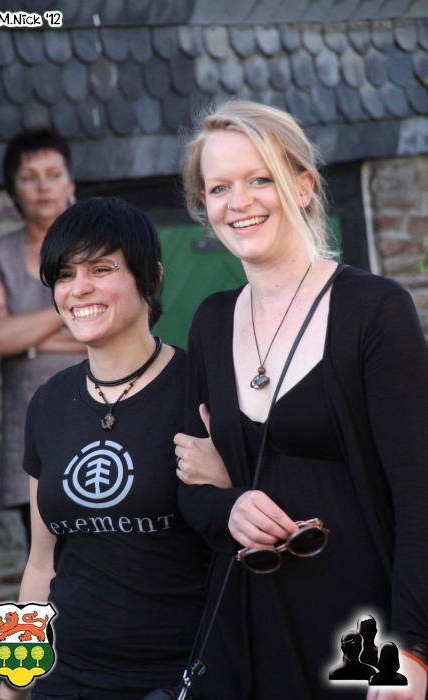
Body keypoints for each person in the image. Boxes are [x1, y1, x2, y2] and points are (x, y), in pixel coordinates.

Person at [174, 101, 428, 700]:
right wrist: (230, 504)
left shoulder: (374, 309)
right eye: (220, 187)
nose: (240, 201)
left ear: (304, 186)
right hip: (247, 639)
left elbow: (421, 495)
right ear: (204, 205)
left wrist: (414, 648)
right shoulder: (210, 323)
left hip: (359, 640)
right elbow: (190, 489)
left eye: (260, 179)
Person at [0, 197, 214, 700]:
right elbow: (41, 565)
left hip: (176, 682)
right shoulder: (48, 403)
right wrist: (12, 688)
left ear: (151, 276)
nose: (80, 289)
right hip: (63, 682)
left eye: (101, 268)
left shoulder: (199, 391)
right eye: (65, 274)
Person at [0, 129, 87, 544]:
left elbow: (127, 331)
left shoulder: (97, 247)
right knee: (43, 562)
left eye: (53, 174)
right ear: (13, 189)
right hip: (31, 434)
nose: (43, 187)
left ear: (70, 181)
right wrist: (69, 311)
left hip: (96, 422)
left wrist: (27, 338)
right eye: (29, 177)